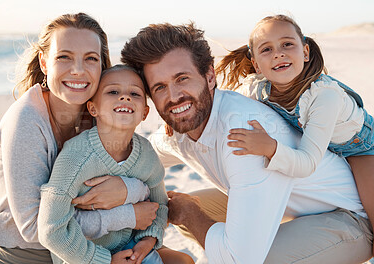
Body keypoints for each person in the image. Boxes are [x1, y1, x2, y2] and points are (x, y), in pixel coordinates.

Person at [115, 22, 373, 263]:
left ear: (209, 76)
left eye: (182, 79)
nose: (174, 96)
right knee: (189, 208)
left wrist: (189, 215)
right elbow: (141, 157)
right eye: (160, 87)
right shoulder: (178, 129)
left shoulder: (244, 135)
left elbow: (242, 259)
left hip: (347, 217)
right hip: (286, 205)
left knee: (245, 252)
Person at [0, 13, 156, 264]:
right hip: (26, 255)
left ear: (102, 66)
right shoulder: (25, 122)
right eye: (64, 57)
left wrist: (128, 188)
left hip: (89, 248)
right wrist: (128, 216)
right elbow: (34, 228)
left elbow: (135, 170)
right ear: (44, 63)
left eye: (91, 59)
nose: (78, 70)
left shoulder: (97, 111)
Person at [215, 14, 374, 256]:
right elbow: (222, 105)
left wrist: (270, 148)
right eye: (266, 49)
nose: (278, 53)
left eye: (287, 44)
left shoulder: (324, 96)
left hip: (362, 148)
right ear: (256, 64)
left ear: (306, 52)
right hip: (328, 145)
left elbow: (307, 163)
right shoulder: (257, 88)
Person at [37, 65, 168, 264]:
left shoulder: (147, 153)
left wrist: (148, 239)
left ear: (145, 112)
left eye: (134, 93)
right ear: (93, 108)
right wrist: (106, 261)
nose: (125, 97)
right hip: (84, 256)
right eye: (113, 91)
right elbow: (51, 230)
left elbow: (160, 204)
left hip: (132, 247)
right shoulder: (75, 157)